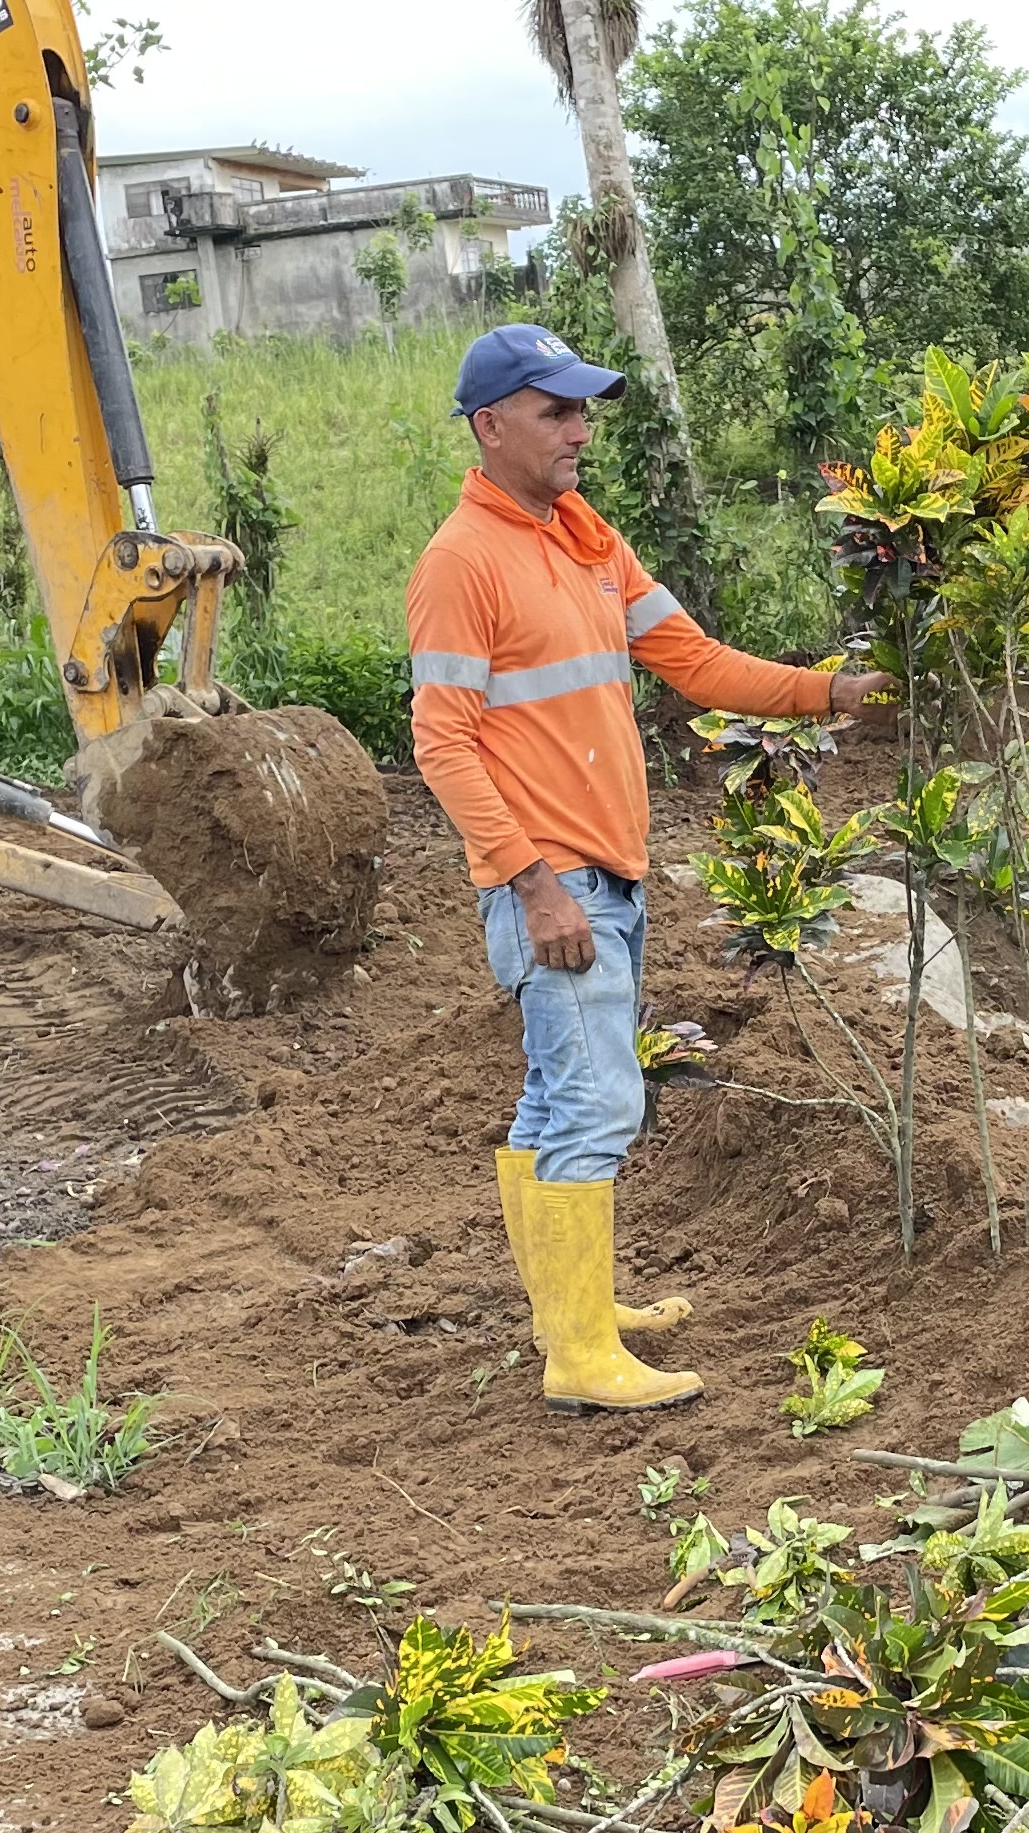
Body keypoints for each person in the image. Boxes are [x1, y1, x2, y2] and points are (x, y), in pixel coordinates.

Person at [408, 323, 890, 1414]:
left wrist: (830, 693)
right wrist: (533, 884)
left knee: (554, 1100)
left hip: (606, 872)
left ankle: (567, 1314)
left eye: (582, 410)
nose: (579, 430)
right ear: (491, 427)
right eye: (555, 411)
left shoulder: (588, 540)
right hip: (555, 880)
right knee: (595, 1106)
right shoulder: (461, 563)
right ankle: (580, 1358)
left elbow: (696, 663)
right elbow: (441, 741)